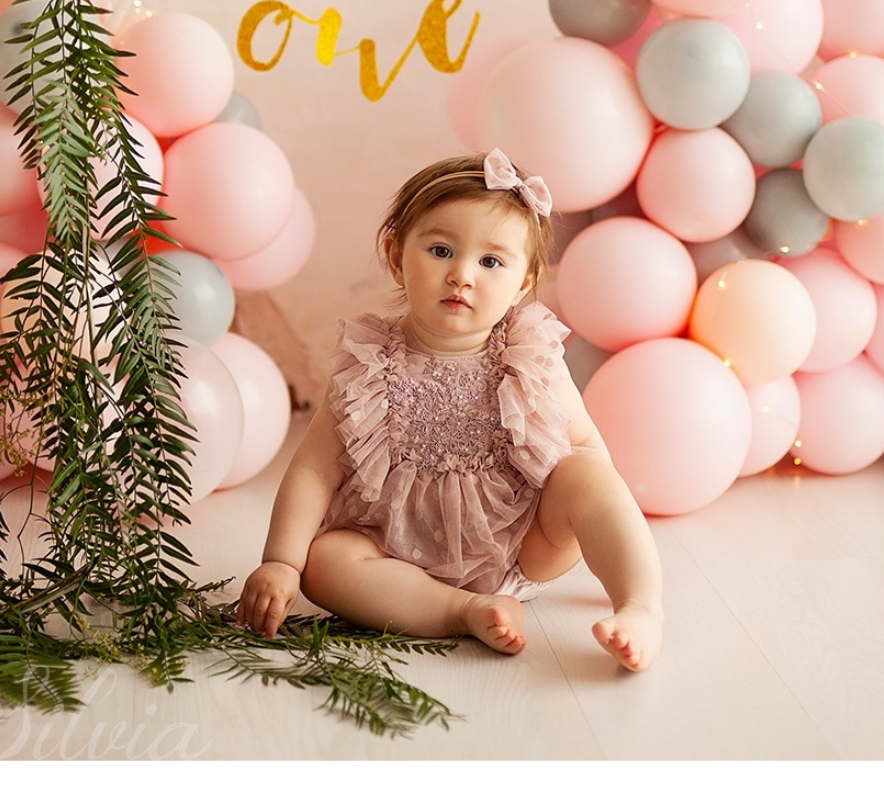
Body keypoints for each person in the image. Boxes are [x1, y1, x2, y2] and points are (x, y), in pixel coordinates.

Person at [237, 150, 662, 671]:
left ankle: (639, 605)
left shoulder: (530, 357)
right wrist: (281, 561)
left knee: (586, 472)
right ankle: (460, 610)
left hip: (523, 543)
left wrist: (592, 515)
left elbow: (590, 451)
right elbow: (314, 468)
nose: (462, 275)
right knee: (323, 563)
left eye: (490, 262)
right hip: (392, 548)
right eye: (440, 250)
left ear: (524, 282)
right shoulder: (367, 363)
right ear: (396, 256)